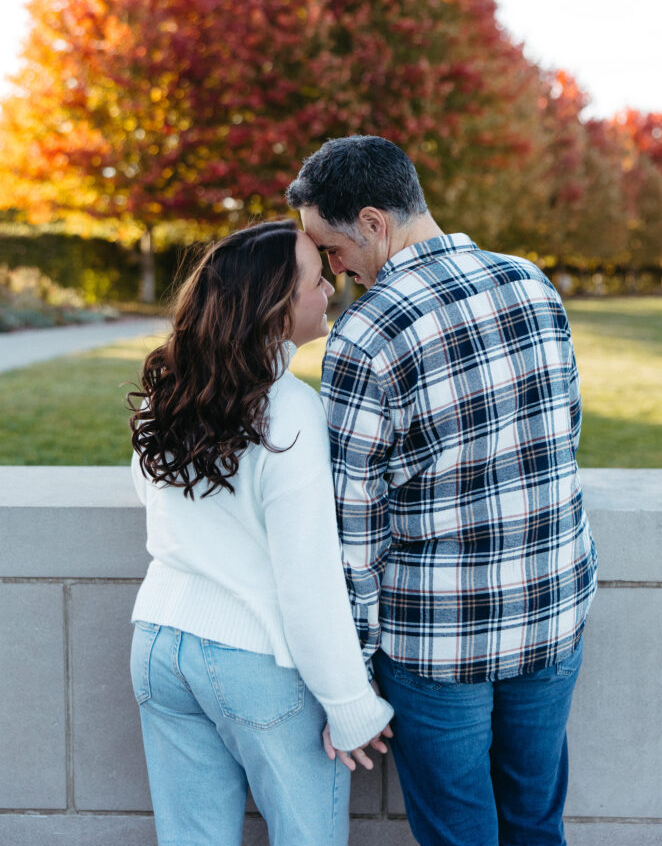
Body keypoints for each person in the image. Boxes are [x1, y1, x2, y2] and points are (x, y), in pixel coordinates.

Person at [286, 135, 598, 846]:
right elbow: (564, 433)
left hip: (438, 643)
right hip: (551, 613)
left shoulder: (366, 334)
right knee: (535, 822)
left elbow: (353, 530)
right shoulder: (529, 281)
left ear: (372, 222)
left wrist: (356, 672)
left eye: (331, 248)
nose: (333, 273)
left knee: (460, 834)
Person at [127, 220, 393, 846]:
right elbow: (307, 578)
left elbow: (151, 495)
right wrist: (350, 703)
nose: (328, 285)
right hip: (254, 661)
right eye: (312, 278)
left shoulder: (165, 395)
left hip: (158, 648)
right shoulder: (291, 411)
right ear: (273, 306)